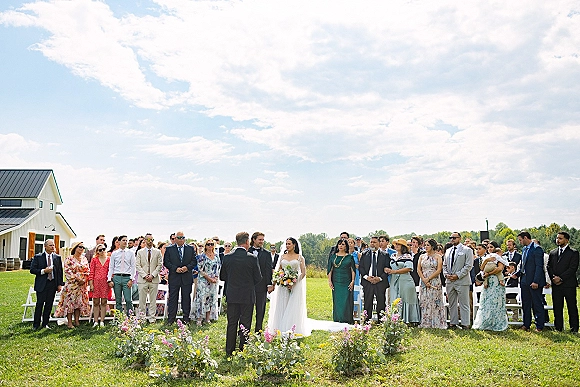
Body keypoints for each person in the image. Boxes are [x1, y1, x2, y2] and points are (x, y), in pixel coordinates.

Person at [221, 232, 262, 356]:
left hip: (232, 295)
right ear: (247, 242)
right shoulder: (252, 258)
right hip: (247, 295)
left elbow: (222, 276)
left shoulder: (228, 257)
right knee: (245, 323)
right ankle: (243, 349)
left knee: (232, 323)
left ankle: (229, 350)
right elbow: (258, 278)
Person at [268, 237, 310, 336]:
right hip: (282, 285)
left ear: (294, 245)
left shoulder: (299, 257)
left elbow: (303, 273)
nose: (287, 245)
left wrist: (294, 282)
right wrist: (276, 283)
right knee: (282, 304)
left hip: (295, 285)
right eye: (286, 244)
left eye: (289, 244)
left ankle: (292, 328)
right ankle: (279, 327)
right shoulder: (282, 257)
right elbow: (278, 271)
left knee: (293, 305)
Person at [547, 231, 579, 333]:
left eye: (560, 238)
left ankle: (574, 328)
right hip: (556, 286)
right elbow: (549, 266)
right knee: (557, 306)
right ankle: (558, 327)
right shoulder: (553, 253)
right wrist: (553, 277)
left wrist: (560, 278)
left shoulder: (573, 253)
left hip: (568, 285)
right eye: (557, 238)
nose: (558, 240)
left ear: (566, 240)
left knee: (571, 306)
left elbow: (572, 268)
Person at [163, 231, 197, 324]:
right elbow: (166, 262)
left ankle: (186, 318)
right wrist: (175, 269)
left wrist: (187, 268)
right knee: (173, 298)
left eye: (183, 237)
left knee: (186, 298)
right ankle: (171, 319)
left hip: (186, 277)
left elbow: (194, 261)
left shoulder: (190, 249)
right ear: (175, 239)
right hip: (174, 277)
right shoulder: (169, 249)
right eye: (179, 238)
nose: (181, 240)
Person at [30, 239, 64, 330]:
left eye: (53, 245)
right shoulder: (38, 257)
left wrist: (59, 284)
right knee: (40, 304)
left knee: (49, 305)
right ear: (45, 246)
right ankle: (36, 325)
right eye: (50, 245)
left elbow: (60, 272)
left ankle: (45, 324)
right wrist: (43, 271)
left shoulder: (57, 258)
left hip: (52, 284)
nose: (53, 247)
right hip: (42, 284)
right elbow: (32, 270)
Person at [385, 239, 421, 324]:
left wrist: (395, 271)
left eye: (399, 244)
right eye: (396, 244)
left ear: (403, 246)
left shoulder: (407, 256)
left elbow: (409, 268)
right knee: (395, 299)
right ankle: (395, 318)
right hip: (394, 281)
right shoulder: (393, 256)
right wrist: (387, 269)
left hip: (405, 281)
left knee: (406, 299)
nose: (396, 246)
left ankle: (409, 318)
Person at [55, 242, 90, 328]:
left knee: (79, 304)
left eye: (83, 247)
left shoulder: (84, 259)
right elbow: (67, 271)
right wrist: (77, 279)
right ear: (75, 248)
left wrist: (84, 279)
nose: (82, 248)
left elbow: (88, 270)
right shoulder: (69, 259)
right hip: (72, 285)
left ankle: (77, 321)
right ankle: (70, 323)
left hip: (82, 285)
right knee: (70, 304)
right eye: (80, 247)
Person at [443, 232, 474, 329]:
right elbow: (444, 265)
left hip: (462, 280)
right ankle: (453, 322)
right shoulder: (448, 251)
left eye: (454, 238)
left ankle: (465, 323)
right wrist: (446, 274)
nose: (452, 239)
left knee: (464, 303)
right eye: (451, 237)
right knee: (452, 303)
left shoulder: (467, 250)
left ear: (460, 238)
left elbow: (468, 265)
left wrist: (458, 275)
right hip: (449, 281)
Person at [516, 231, 546, 332]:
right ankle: (526, 324)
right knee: (526, 303)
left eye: (520, 240)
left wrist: (536, 281)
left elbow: (539, 266)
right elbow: (523, 265)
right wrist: (517, 274)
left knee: (537, 303)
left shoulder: (537, 249)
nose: (520, 242)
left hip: (533, 281)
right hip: (524, 280)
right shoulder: (524, 249)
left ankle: (539, 326)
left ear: (525, 238)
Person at [472, 250, 508, 331]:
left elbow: (499, 269)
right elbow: (482, 268)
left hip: (496, 282)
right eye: (488, 247)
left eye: (491, 247)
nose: (489, 249)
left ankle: (496, 322)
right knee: (487, 302)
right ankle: (485, 321)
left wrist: (488, 274)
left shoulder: (500, 258)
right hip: (487, 282)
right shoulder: (486, 258)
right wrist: (486, 260)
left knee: (496, 302)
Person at [191, 239, 222, 326]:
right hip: (203, 281)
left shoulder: (216, 256)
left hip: (213, 281)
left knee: (211, 300)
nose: (210, 246)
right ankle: (199, 319)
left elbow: (218, 267)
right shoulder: (202, 256)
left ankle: (208, 318)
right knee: (201, 300)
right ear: (205, 246)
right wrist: (208, 278)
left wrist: (215, 278)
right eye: (208, 244)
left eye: (212, 244)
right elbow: (200, 269)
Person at [417, 238, 446, 329]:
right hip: (423, 281)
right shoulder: (422, 256)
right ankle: (425, 322)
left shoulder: (438, 257)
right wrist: (424, 279)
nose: (426, 247)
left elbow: (439, 270)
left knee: (434, 301)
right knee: (425, 301)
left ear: (432, 246)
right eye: (425, 245)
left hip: (434, 281)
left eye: (428, 245)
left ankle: (437, 322)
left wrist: (429, 278)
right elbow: (418, 269)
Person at [359, 236, 389, 322]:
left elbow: (387, 268)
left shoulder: (385, 255)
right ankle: (367, 321)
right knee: (368, 302)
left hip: (380, 283)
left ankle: (381, 321)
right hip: (367, 282)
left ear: (379, 243)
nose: (372, 244)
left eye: (374, 242)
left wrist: (379, 278)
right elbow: (361, 268)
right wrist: (366, 277)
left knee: (381, 302)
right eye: (371, 242)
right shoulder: (365, 254)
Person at [248, 232, 273, 332]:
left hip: (261, 286)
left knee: (260, 309)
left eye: (263, 239)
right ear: (254, 239)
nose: (262, 241)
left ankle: (258, 330)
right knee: (247, 310)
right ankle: (245, 330)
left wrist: (269, 284)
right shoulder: (247, 251)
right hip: (248, 285)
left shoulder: (267, 254)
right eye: (260, 239)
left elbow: (268, 270)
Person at [136, 234, 163, 323]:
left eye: (152, 239)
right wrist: (145, 275)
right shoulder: (140, 252)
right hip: (142, 279)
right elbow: (138, 265)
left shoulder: (157, 252)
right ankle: (142, 319)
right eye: (148, 239)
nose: (150, 241)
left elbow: (159, 265)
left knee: (153, 300)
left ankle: (152, 318)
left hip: (154, 279)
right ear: (144, 240)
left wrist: (153, 275)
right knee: (142, 301)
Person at [327, 239, 355, 324]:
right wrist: (329, 281)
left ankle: (346, 319)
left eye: (343, 244)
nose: (341, 246)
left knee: (346, 300)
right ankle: (337, 318)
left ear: (346, 246)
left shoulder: (350, 257)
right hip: (336, 282)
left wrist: (353, 281)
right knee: (337, 301)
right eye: (339, 244)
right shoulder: (333, 257)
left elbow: (353, 270)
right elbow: (330, 270)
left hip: (346, 281)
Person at [107, 236, 136, 316]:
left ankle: (130, 317)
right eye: (123, 240)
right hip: (117, 277)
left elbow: (133, 266)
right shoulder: (114, 253)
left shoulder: (131, 253)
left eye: (126, 240)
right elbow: (111, 267)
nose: (125, 242)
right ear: (119, 242)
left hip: (127, 277)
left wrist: (131, 279)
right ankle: (119, 318)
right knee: (118, 300)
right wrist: (109, 279)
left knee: (128, 299)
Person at [88, 243, 110, 327]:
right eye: (100, 250)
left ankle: (102, 321)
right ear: (97, 251)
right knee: (96, 302)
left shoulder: (109, 259)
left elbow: (110, 271)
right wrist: (91, 284)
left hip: (105, 283)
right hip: (96, 283)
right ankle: (96, 321)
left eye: (103, 249)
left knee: (104, 302)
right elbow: (91, 272)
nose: (102, 251)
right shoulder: (94, 260)